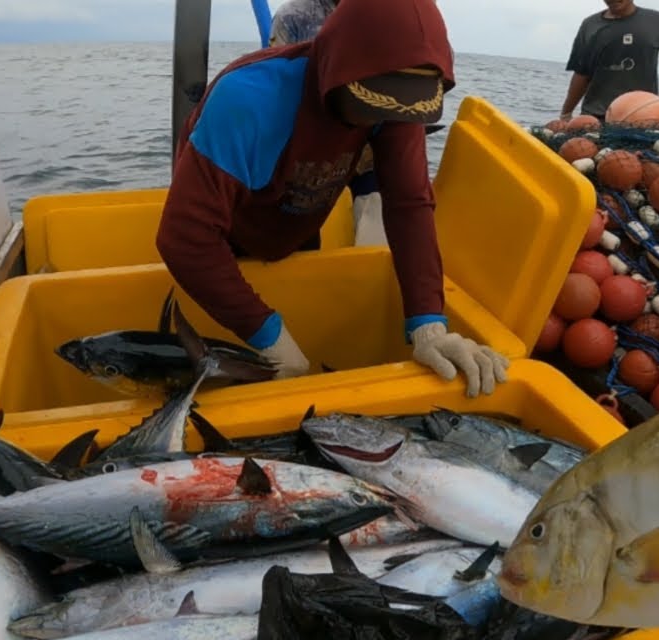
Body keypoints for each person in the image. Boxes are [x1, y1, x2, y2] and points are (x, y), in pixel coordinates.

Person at [154, 0, 510, 398]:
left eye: (399, 107)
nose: (382, 117)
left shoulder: (396, 107)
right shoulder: (248, 98)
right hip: (228, 230)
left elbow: (409, 205)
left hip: (298, 221)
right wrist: (269, 337)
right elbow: (185, 237)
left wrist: (428, 324)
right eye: (370, 102)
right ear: (335, 68)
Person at [265, 0, 388, 247]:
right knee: (297, 245)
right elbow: (278, 92)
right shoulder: (293, 16)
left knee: (378, 239)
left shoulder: (387, 14)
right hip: (310, 160)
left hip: (369, 154)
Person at [559, 0, 659, 122]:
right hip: (596, 116)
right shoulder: (590, 25)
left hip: (643, 116)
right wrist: (566, 114)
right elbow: (581, 73)